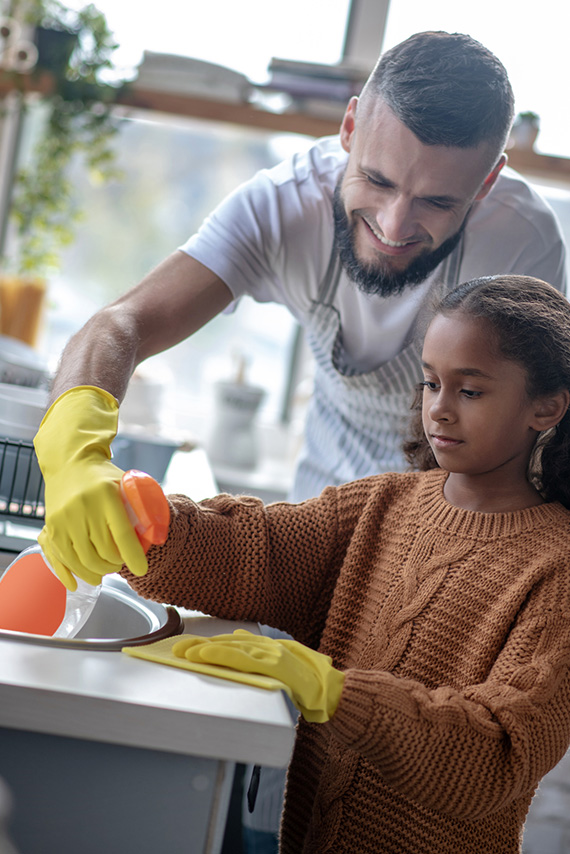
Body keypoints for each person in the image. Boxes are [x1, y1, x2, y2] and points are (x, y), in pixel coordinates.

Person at [33, 30, 567, 852]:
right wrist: (119, 495)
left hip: (436, 551)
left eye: (436, 204)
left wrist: (333, 688)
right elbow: (124, 326)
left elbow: (491, 755)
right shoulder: (282, 204)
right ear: (349, 127)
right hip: (356, 535)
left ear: (488, 182)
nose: (394, 224)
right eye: (380, 181)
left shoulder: (522, 251)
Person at [120, 274, 570, 854]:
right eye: (431, 383)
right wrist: (146, 525)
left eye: (471, 391)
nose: (440, 409)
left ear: (548, 406)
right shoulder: (380, 505)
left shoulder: (557, 569)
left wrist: (334, 691)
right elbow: (258, 552)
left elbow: (496, 757)